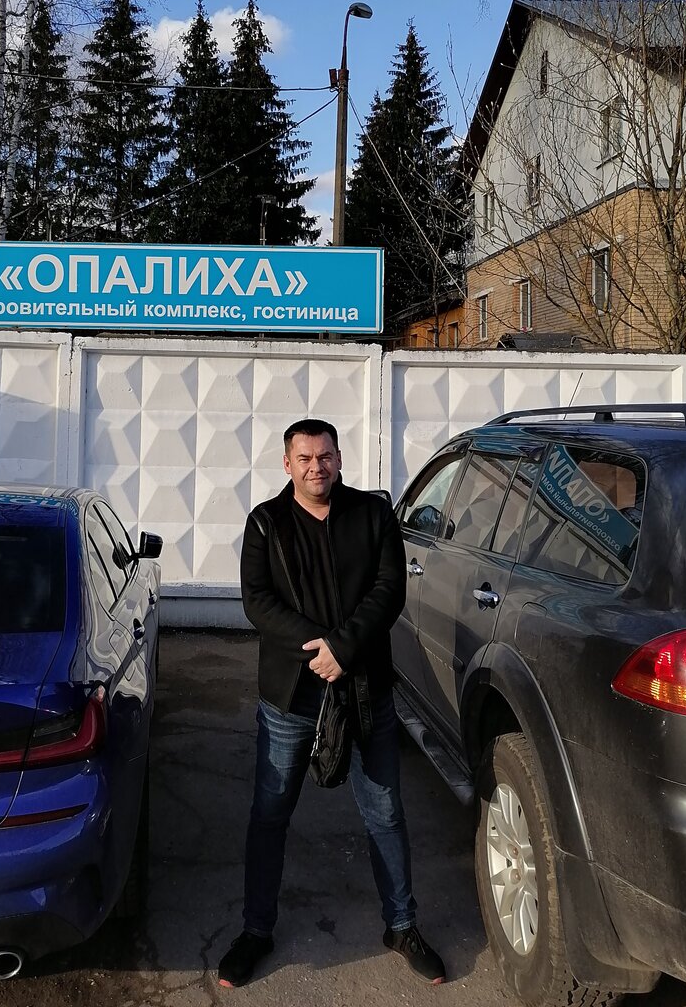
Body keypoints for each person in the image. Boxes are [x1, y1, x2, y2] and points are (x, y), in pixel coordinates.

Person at [218, 418, 446, 989]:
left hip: (365, 692)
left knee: (385, 813)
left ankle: (402, 925)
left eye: (325, 456)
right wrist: (317, 650)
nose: (315, 467)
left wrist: (342, 649)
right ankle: (256, 931)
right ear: (287, 463)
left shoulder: (372, 515)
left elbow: (388, 590)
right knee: (270, 815)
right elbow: (257, 602)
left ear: (340, 458)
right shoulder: (266, 523)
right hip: (291, 699)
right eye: (304, 458)